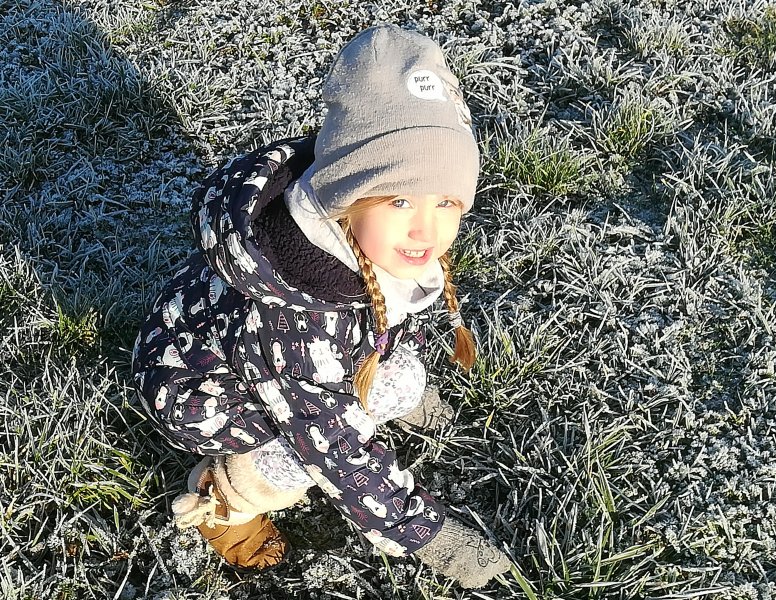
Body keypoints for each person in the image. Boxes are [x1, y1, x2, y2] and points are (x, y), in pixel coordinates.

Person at [132, 24, 511, 589]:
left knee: (394, 377)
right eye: (399, 199)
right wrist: (431, 537)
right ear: (346, 195)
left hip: (293, 359)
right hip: (202, 390)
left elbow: (391, 320)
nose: (427, 229)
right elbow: (331, 446)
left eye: (447, 201)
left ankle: (380, 394)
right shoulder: (300, 320)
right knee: (289, 461)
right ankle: (225, 498)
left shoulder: (374, 245)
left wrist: (401, 385)